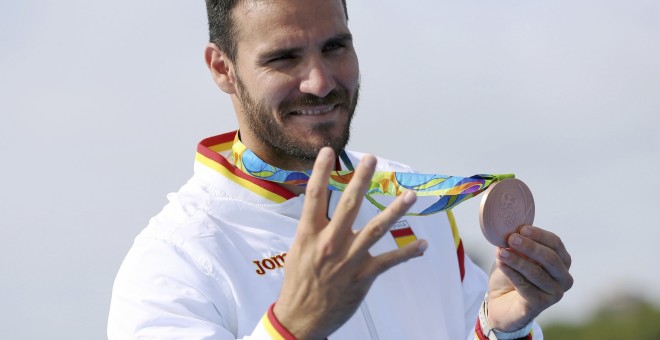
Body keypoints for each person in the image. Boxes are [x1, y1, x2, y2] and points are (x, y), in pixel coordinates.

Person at [107, 0, 573, 339]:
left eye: (334, 47)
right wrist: (291, 329)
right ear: (222, 68)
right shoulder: (173, 260)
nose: (320, 81)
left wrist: (499, 328)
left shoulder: (411, 199)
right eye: (284, 57)